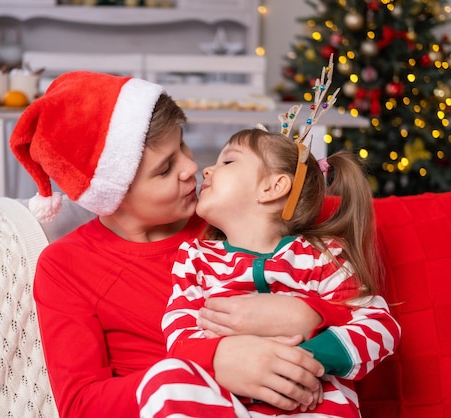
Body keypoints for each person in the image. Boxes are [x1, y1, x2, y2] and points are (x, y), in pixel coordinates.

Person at [9, 71, 347, 418]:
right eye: (165, 168)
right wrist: (212, 363)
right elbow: (81, 406)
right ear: (114, 194)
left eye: (182, 144)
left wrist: (308, 315)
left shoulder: (233, 218)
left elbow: (341, 283)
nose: (192, 167)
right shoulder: (67, 266)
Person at [135, 124, 401, 416]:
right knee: (163, 378)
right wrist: (225, 360)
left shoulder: (321, 256)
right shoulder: (195, 260)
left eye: (228, 161)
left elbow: (379, 326)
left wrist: (302, 359)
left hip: (312, 404)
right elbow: (179, 336)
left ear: (273, 187)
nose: (207, 170)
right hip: (230, 405)